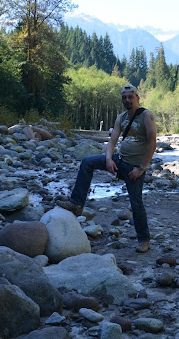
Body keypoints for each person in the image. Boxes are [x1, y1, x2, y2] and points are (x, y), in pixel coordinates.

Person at [57, 84, 157, 253]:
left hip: (134, 168)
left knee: (136, 203)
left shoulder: (147, 116)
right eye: (124, 97)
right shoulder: (121, 117)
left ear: (137, 98)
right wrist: (109, 159)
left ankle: (144, 239)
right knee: (88, 162)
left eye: (130, 97)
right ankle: (76, 203)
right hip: (119, 160)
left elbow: (152, 143)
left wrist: (141, 168)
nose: (127, 100)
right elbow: (112, 142)